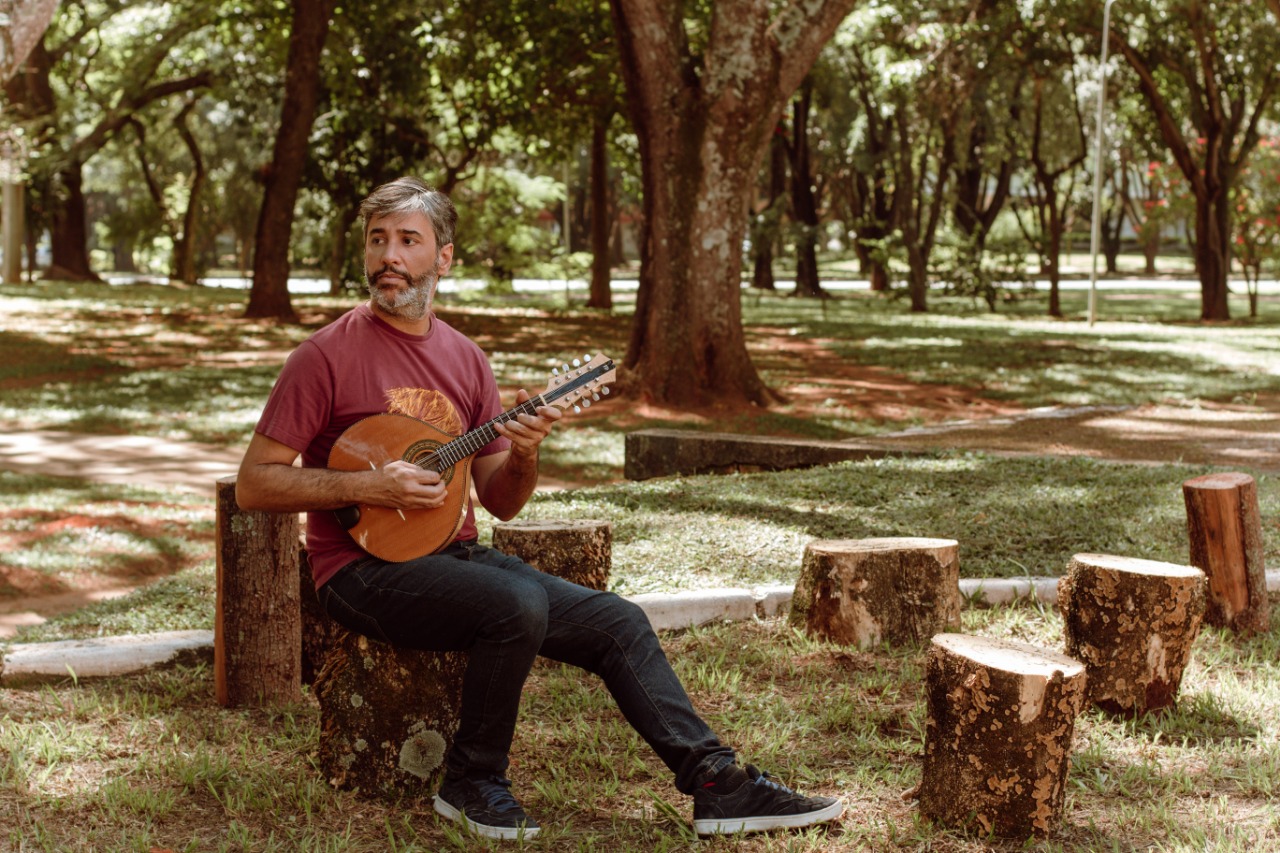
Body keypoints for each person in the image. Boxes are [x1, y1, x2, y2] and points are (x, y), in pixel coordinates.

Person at [235, 176, 844, 841]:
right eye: (378, 239)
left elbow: (501, 498)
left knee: (618, 619)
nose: (390, 256)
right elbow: (256, 484)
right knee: (512, 604)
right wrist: (368, 488)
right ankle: (472, 781)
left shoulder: (466, 360)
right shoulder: (324, 356)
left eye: (409, 240)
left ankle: (717, 782)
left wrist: (524, 450)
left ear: (444, 258)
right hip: (359, 571)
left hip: (451, 555)